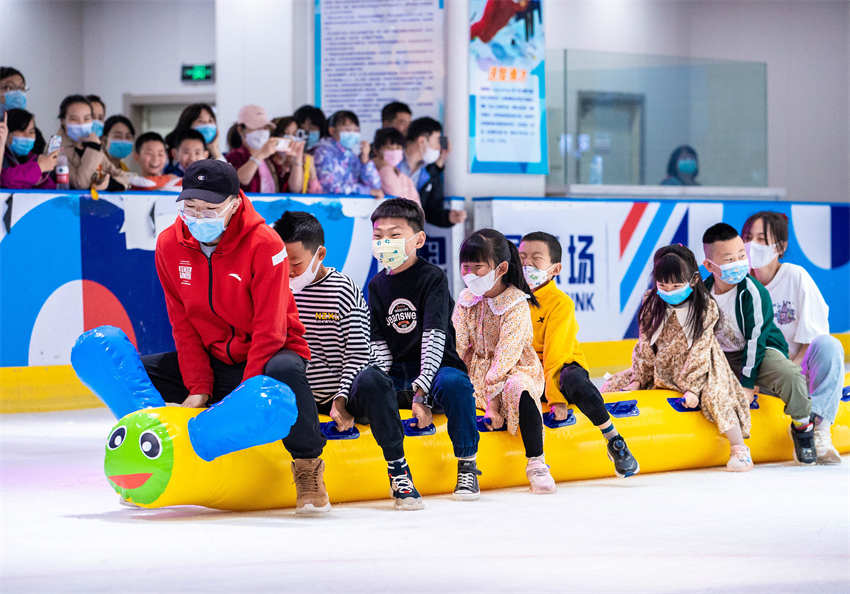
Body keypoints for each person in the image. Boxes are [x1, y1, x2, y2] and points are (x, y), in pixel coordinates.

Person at [141, 159, 330, 514]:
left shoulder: (264, 243)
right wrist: (198, 386)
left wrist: (246, 394)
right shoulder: (169, 244)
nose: (198, 216)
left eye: (209, 209)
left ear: (234, 203)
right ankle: (151, 456)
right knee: (145, 372)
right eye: (190, 207)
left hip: (272, 350)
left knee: (287, 373)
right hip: (215, 357)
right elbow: (182, 322)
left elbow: (271, 326)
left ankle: (308, 467)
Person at [274, 211, 424, 510]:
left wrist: (341, 400)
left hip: (344, 391)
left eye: (296, 264)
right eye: (282, 263)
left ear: (321, 254)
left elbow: (357, 354)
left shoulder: (344, 290)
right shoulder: (276, 289)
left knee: (374, 379)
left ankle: (398, 469)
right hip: (302, 395)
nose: (289, 272)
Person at [604, 245, 754, 471]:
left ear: (693, 280)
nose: (669, 291)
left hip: (701, 367)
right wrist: (638, 378)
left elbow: (701, 350)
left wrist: (693, 388)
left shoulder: (705, 307)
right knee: (612, 384)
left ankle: (739, 448)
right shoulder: (651, 301)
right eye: (663, 285)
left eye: (676, 286)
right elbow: (644, 343)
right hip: (661, 367)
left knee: (715, 397)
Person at [369, 198, 481, 499]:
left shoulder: (431, 277)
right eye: (379, 237)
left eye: (395, 235)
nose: (385, 243)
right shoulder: (377, 285)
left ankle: (468, 465)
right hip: (401, 374)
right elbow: (379, 345)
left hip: (437, 369)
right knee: (367, 383)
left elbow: (434, 338)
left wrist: (422, 393)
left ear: (418, 239)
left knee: (456, 385)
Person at [519, 232, 639, 477]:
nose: (527, 265)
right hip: (527, 373)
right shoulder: (511, 297)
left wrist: (556, 399)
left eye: (536, 258)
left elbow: (557, 353)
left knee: (574, 380)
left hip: (561, 369)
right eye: (522, 258)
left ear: (555, 268)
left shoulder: (559, 302)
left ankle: (614, 439)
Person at [701, 223, 816, 465]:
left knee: (791, 375)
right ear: (710, 266)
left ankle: (803, 427)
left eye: (742, 255)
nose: (739, 262)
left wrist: (746, 383)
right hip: (723, 358)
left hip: (760, 351)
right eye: (730, 259)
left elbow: (755, 341)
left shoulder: (753, 292)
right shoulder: (703, 294)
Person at [453, 229, 557, 493]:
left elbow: (507, 354)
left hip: (512, 369)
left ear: (500, 268)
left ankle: (537, 462)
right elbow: (457, 341)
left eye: (478, 267)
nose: (470, 274)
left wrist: (493, 402)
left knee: (517, 388)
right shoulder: (466, 300)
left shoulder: (516, 303)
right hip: (475, 368)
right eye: (465, 267)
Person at [741, 211, 843, 464]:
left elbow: (813, 336)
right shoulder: (741, 286)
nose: (753, 244)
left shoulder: (795, 276)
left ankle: (817, 427)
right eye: (748, 237)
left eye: (762, 239)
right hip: (761, 378)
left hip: (798, 373)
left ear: (781, 246)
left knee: (830, 346)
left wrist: (791, 373)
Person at [401, 117, 466, 227]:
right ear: (422, 141)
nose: (438, 147)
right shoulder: (390, 162)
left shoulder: (429, 173)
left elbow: (430, 211)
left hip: (408, 234)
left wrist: (448, 217)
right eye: (437, 141)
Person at [57, 94, 129, 191]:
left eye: (87, 119)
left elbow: (123, 176)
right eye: (74, 119)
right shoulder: (56, 148)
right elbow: (80, 183)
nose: (81, 124)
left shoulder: (90, 144)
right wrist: (94, 147)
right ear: (63, 120)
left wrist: (108, 184)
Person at [313, 110, 382, 197]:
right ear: (332, 131)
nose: (352, 134)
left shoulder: (352, 156)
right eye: (347, 130)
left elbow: (375, 186)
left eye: (356, 130)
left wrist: (365, 159)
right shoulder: (322, 153)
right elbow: (331, 187)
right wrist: (366, 191)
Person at [226, 104, 288, 193]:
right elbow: (240, 180)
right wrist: (260, 155)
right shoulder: (234, 156)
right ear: (240, 130)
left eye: (265, 127)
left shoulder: (270, 158)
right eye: (256, 127)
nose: (262, 132)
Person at [1, 109, 57, 189]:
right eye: (22, 130)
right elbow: (5, 180)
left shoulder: (35, 158)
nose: (28, 136)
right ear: (7, 133)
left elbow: (50, 190)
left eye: (31, 132)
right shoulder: (2, 156)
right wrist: (39, 168)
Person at [270, 117, 321, 194]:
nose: (290, 138)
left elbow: (314, 191)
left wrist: (301, 162)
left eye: (295, 134)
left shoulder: (305, 160)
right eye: (285, 134)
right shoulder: (268, 160)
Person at [372, 127, 419, 204]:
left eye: (398, 148)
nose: (394, 152)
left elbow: (418, 207)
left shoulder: (405, 179)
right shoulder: (370, 173)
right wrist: (385, 167)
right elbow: (394, 192)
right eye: (389, 148)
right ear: (376, 150)